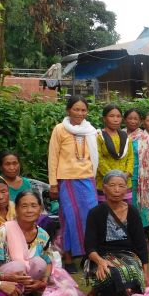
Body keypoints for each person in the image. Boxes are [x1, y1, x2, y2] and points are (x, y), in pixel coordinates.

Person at [83, 171, 149, 296]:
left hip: (127, 254)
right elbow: (89, 245)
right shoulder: (95, 213)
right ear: (104, 188)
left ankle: (125, 292)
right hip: (100, 255)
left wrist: (145, 274)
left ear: (126, 189)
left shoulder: (132, 212)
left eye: (121, 186)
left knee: (131, 269)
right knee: (109, 271)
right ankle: (93, 294)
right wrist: (100, 261)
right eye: (112, 185)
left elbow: (140, 243)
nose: (117, 189)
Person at [48, 95, 98, 272]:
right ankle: (68, 257)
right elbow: (53, 157)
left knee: (91, 218)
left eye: (83, 110)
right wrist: (53, 184)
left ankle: (90, 257)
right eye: (76, 109)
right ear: (68, 110)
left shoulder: (91, 130)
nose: (80, 113)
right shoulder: (60, 129)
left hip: (87, 179)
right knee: (69, 218)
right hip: (67, 180)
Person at [0, 190, 52, 296]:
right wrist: (4, 278)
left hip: (29, 279)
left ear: (40, 209)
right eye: (24, 206)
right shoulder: (5, 230)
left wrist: (43, 281)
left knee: (39, 262)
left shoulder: (43, 235)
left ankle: (28, 292)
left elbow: (48, 261)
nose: (29, 210)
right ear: (16, 210)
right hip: (6, 278)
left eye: (34, 206)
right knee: (18, 266)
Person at [96, 104, 134, 202]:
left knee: (125, 211)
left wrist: (126, 174)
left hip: (125, 182)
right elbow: (98, 159)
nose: (115, 119)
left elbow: (130, 157)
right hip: (105, 182)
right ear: (104, 118)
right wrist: (112, 178)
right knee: (106, 213)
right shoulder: (99, 136)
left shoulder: (125, 137)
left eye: (118, 116)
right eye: (111, 116)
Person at [124, 108, 149, 227]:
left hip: (141, 177)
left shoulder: (144, 137)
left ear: (140, 121)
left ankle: (142, 233)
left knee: (140, 205)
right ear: (125, 120)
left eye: (136, 119)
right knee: (127, 204)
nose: (133, 121)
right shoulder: (120, 134)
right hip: (124, 176)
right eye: (130, 118)